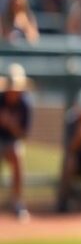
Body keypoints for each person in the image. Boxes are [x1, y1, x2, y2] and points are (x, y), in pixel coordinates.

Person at [0, 63, 32, 220]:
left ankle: (17, 201)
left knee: (17, 154)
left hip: (12, 141)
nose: (13, 93)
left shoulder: (25, 103)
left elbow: (23, 135)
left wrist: (10, 124)